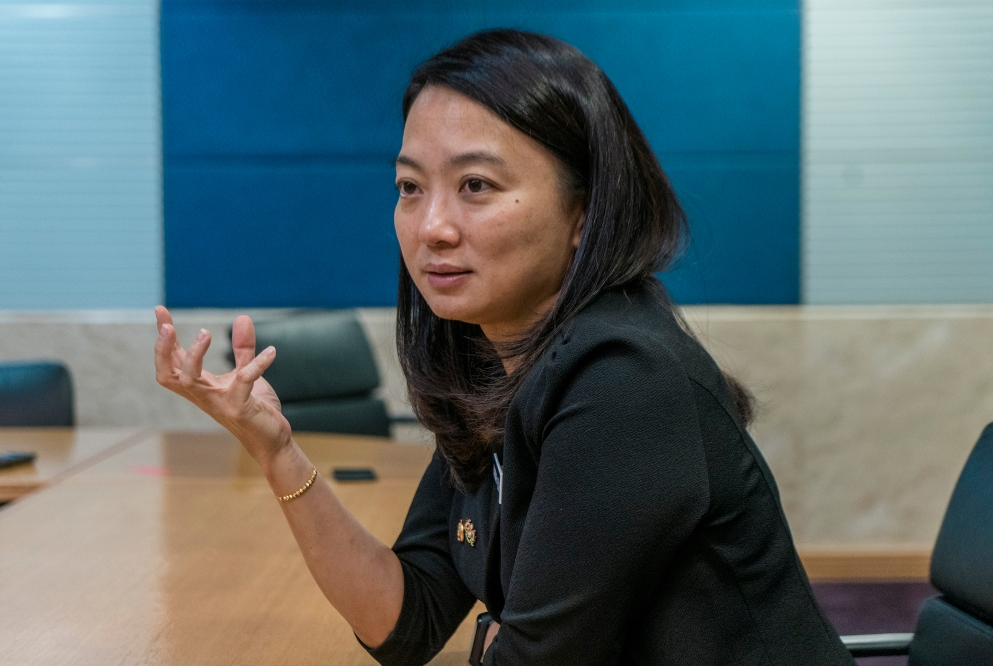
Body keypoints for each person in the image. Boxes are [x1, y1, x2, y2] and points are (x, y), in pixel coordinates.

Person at [154, 29, 855, 666]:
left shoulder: (622, 380)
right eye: (409, 187)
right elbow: (409, 619)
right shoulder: (496, 360)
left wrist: (498, 641)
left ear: (584, 213)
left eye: (476, 186)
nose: (431, 227)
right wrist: (275, 449)